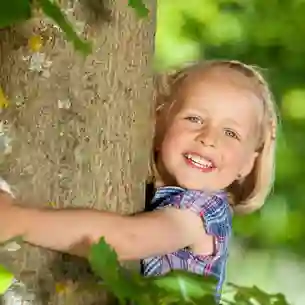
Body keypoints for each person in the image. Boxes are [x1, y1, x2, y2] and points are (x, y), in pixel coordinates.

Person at [0, 60, 277, 302]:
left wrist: (14, 220)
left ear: (247, 164)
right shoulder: (159, 196)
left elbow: (123, 240)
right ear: (160, 123)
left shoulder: (201, 212)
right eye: (194, 118)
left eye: (231, 133)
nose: (208, 138)